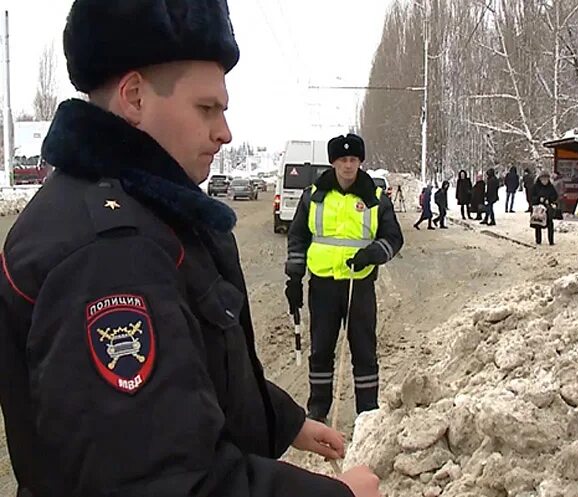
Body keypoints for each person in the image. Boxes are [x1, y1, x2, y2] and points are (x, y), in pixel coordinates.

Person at [0, 2, 382, 496]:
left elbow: (187, 378)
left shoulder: (142, 208)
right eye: (207, 108)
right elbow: (161, 481)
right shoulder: (108, 254)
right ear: (135, 97)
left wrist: (282, 423)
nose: (224, 131)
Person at [285, 133, 404, 424]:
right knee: (321, 350)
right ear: (333, 162)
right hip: (323, 285)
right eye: (342, 160)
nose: (348, 165)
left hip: (359, 284)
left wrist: (373, 253)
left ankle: (367, 410)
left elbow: (393, 238)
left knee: (364, 350)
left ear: (360, 162)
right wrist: (294, 278)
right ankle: (318, 407)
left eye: (353, 160)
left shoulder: (374, 197)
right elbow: (298, 237)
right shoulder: (314, 195)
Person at [532, 171, 559, 246]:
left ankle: (551, 240)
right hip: (538, 209)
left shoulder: (551, 187)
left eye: (546, 179)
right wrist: (538, 199)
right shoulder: (536, 187)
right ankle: (538, 240)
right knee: (538, 224)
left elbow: (555, 196)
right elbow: (532, 197)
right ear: (540, 179)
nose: (544, 181)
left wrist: (550, 200)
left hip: (547, 209)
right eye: (543, 179)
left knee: (550, 224)